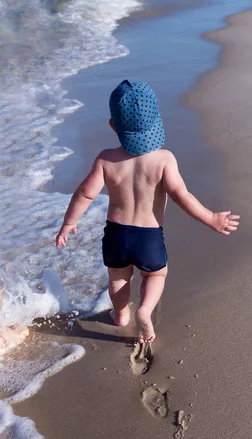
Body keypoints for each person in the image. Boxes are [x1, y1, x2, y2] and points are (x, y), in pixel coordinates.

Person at [56, 80, 240, 344]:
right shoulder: (164, 159)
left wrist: (68, 223)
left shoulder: (106, 159)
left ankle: (120, 315)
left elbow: (85, 194)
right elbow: (181, 195)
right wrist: (211, 218)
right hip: (148, 235)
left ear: (113, 126)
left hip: (116, 235)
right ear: (156, 124)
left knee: (118, 279)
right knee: (155, 274)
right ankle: (144, 309)